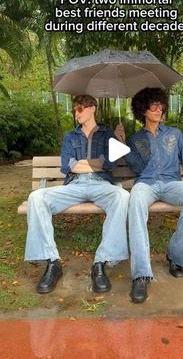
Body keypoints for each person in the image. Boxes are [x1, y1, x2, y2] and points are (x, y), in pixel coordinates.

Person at [25, 94, 129, 294]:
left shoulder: (108, 135)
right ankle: (52, 262)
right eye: (74, 110)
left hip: (101, 184)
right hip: (74, 185)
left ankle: (101, 262)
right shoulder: (70, 136)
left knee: (122, 197)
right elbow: (67, 166)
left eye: (79, 109)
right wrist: (95, 163)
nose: (76, 113)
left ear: (92, 108)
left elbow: (110, 163)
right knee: (36, 198)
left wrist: (118, 140)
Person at [115, 87, 183, 303]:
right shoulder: (136, 139)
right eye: (153, 105)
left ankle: (176, 256)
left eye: (161, 105)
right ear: (143, 110)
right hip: (146, 184)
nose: (158, 109)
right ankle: (141, 274)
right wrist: (123, 144)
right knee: (135, 199)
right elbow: (136, 168)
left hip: (171, 183)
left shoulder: (175, 133)